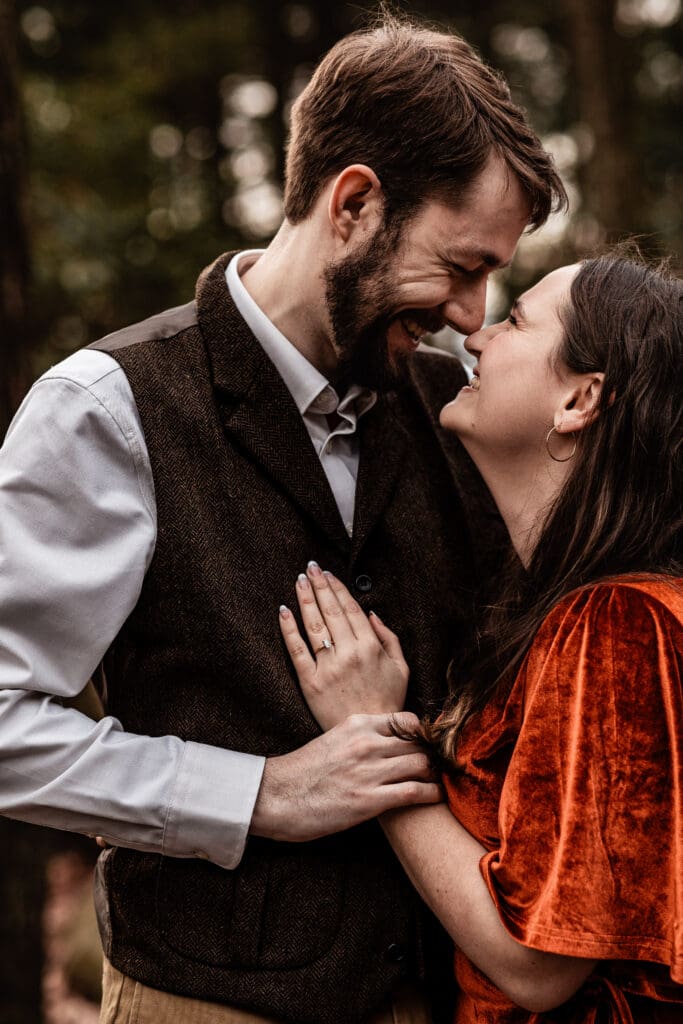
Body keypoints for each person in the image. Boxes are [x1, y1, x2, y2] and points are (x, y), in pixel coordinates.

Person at [0, 13, 566, 1024]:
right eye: (462, 265)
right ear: (353, 204)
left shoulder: (456, 406)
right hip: (203, 1003)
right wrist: (257, 793)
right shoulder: (106, 408)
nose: (476, 316)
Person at [280, 252, 683, 1023]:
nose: (475, 335)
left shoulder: (616, 624)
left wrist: (370, 737)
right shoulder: (578, 605)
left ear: (579, 398)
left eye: (518, 320)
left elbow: (536, 960)